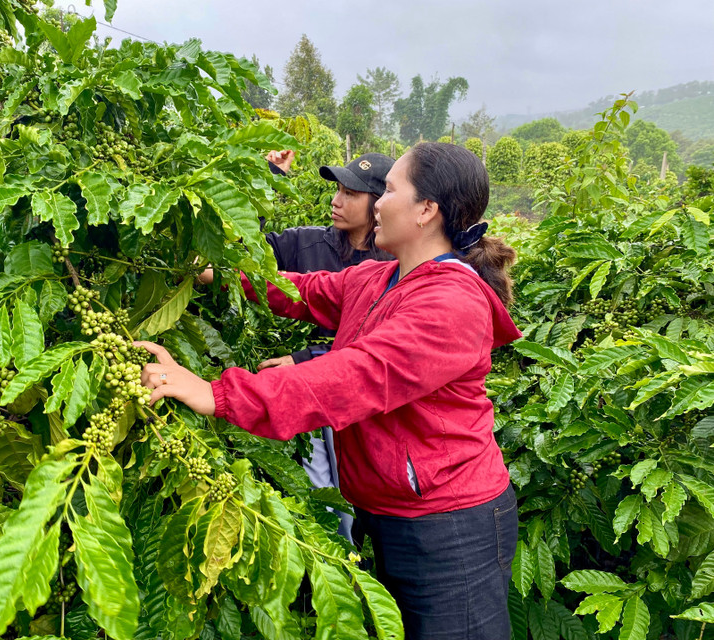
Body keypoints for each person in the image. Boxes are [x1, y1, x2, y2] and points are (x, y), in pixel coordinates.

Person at [137, 142, 521, 639]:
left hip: (449, 526)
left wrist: (218, 393)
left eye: (388, 190)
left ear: (426, 210)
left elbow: (351, 377)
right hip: (388, 509)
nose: (377, 202)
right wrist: (216, 275)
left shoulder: (452, 303)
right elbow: (300, 288)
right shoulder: (380, 277)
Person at [260, 149, 394, 540]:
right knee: (322, 481)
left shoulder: (395, 261)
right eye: (336, 190)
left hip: (359, 391)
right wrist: (270, 177)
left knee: (362, 481)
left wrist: (303, 358)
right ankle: (336, 555)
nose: (336, 201)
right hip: (315, 389)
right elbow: (246, 246)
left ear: (378, 205)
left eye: (350, 194)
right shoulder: (307, 244)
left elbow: (375, 345)